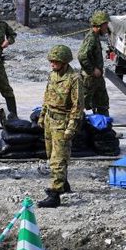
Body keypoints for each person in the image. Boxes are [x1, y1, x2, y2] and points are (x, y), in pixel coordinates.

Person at [37, 45, 84, 208]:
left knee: (58, 159)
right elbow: (47, 97)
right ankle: (63, 182)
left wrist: (71, 127)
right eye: (51, 61)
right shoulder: (52, 75)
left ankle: (55, 194)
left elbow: (77, 106)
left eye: (55, 61)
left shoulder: (74, 79)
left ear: (64, 62)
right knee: (52, 155)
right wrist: (42, 116)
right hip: (50, 120)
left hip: (62, 123)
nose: (52, 64)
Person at [78, 10, 111, 116]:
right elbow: (82, 56)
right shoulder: (91, 38)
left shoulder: (95, 37)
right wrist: (92, 70)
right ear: (99, 25)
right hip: (90, 78)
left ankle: (104, 128)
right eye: (106, 25)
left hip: (96, 78)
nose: (107, 28)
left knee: (102, 103)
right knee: (81, 104)